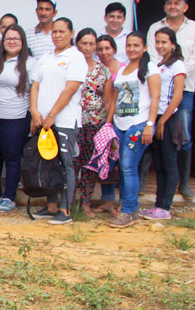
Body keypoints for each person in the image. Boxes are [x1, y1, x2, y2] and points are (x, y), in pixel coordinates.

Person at [147, 0, 195, 201]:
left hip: (184, 90)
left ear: (185, 7)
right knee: (153, 131)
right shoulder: (156, 28)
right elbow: (153, 57)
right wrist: (164, 73)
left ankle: (185, 182)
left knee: (184, 136)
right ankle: (146, 180)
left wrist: (175, 73)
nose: (173, 6)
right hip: (156, 91)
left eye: (177, 3)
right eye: (169, 2)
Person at [29, 17, 86, 226]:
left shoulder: (75, 57)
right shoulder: (45, 57)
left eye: (62, 31)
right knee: (48, 164)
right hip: (44, 121)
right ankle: (51, 206)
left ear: (71, 33)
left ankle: (66, 209)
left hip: (64, 120)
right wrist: (35, 112)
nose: (58, 35)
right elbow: (35, 85)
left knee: (65, 164)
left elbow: (70, 89)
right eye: (54, 32)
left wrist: (52, 114)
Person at [0, 24, 35, 214]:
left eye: (16, 39)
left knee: (12, 158)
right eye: (8, 38)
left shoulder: (30, 63)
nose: (11, 42)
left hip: (16, 117)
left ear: (23, 42)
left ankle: (9, 197)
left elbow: (36, 90)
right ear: (2, 41)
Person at [107, 32, 161, 228]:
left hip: (138, 125)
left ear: (144, 47)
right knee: (123, 168)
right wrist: (109, 123)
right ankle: (130, 207)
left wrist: (149, 124)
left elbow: (155, 98)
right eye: (129, 45)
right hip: (120, 124)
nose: (131, 49)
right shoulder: (122, 70)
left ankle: (127, 211)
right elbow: (114, 99)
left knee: (129, 168)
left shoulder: (150, 69)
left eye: (136, 45)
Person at [141, 27, 186, 220]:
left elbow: (177, 96)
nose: (160, 46)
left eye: (164, 42)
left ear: (173, 44)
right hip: (156, 117)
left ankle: (165, 206)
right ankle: (158, 205)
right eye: (157, 42)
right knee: (158, 164)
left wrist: (163, 122)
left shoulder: (178, 66)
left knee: (169, 163)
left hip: (169, 118)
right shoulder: (157, 64)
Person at [73, 28, 115, 216]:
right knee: (71, 165)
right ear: (77, 45)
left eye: (92, 44)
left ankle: (86, 204)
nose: (88, 48)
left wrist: (108, 125)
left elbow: (107, 100)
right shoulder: (70, 65)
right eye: (84, 43)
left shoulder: (102, 70)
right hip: (73, 123)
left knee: (89, 166)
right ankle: (68, 202)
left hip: (95, 124)